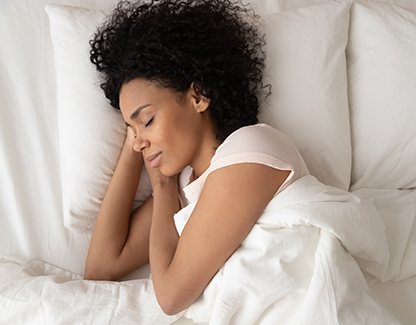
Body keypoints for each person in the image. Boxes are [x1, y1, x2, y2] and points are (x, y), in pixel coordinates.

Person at [84, 0, 309, 316]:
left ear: (198, 96)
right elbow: (101, 267)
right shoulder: (186, 186)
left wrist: (162, 189)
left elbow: (171, 297)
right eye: (129, 130)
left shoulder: (252, 148)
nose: (137, 143)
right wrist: (138, 140)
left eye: (147, 120)